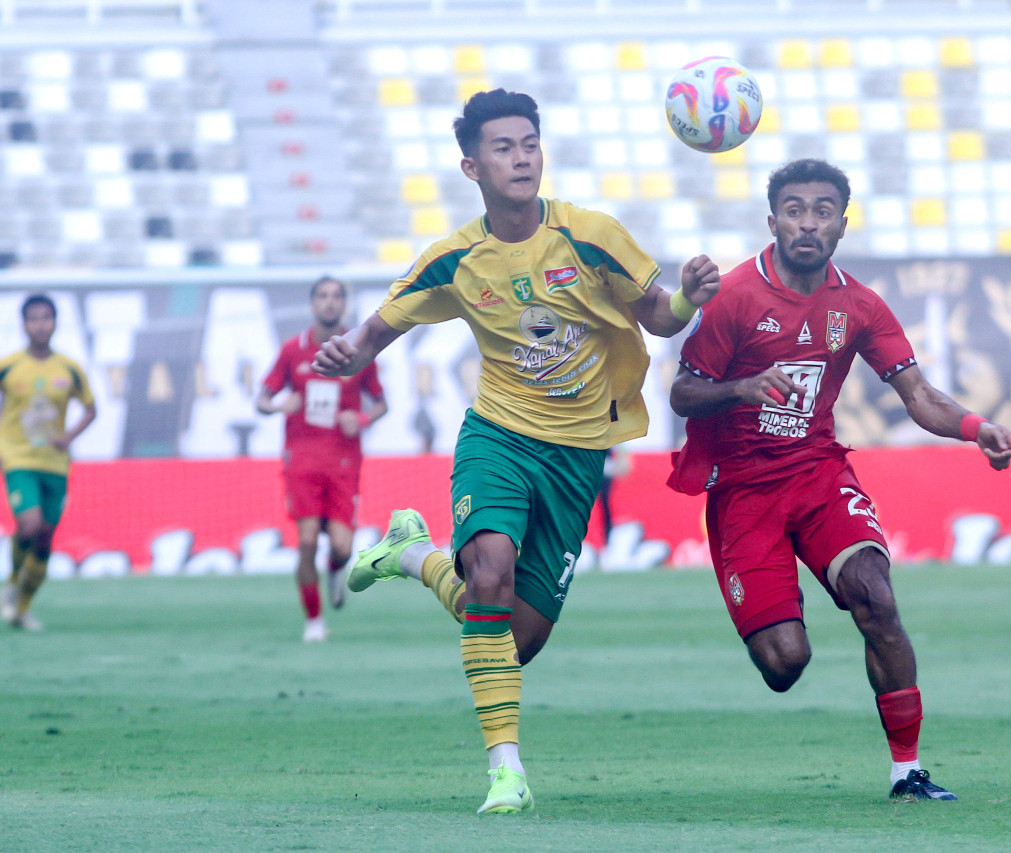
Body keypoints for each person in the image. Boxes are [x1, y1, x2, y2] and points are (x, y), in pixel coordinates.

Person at [312, 89, 719, 814]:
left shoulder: (591, 236)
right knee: (491, 572)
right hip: (498, 435)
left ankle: (412, 554)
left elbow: (656, 316)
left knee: (511, 635)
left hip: (577, 454)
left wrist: (686, 298)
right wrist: (351, 352)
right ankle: (506, 770)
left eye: (529, 142)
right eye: (503, 147)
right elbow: (387, 317)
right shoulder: (457, 259)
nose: (521, 156)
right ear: (471, 165)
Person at [667, 159, 1011, 802]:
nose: (808, 222)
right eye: (795, 210)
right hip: (743, 492)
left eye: (823, 210)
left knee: (875, 595)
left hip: (817, 473)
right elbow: (682, 393)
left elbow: (916, 392)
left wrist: (976, 427)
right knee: (785, 664)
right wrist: (742, 387)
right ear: (772, 221)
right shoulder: (735, 297)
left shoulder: (859, 305)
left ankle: (907, 771)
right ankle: (772, 616)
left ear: (842, 224)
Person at [256, 276, 387, 642]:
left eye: (336, 297)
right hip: (302, 459)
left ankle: (334, 571)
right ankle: (314, 621)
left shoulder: (357, 351)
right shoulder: (292, 351)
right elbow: (262, 399)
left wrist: (361, 419)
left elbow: (381, 403)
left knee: (343, 548)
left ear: (343, 305)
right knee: (308, 540)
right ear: (312, 304)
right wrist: (281, 405)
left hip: (344, 463)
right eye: (323, 296)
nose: (329, 303)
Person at [0, 294, 97, 631]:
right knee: (28, 524)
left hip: (54, 463)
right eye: (33, 318)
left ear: (55, 322)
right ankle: (12, 582)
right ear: (23, 324)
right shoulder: (9, 366)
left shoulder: (69, 369)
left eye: (46, 318)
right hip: (17, 457)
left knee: (44, 537)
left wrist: (68, 437)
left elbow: (90, 408)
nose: (40, 324)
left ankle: (21, 610)